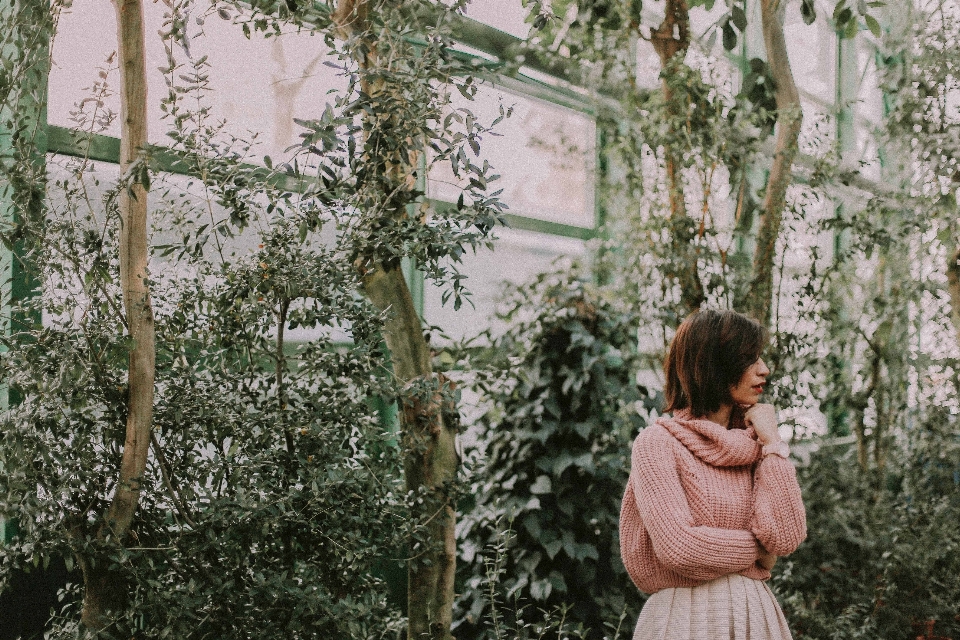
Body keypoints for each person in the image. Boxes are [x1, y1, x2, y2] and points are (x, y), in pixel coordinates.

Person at [619, 309, 806, 640]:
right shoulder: (657, 443)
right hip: (684, 620)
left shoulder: (757, 445)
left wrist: (774, 444)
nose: (764, 369)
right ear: (714, 365)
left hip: (755, 618)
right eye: (750, 359)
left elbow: (785, 539)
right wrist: (759, 550)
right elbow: (681, 548)